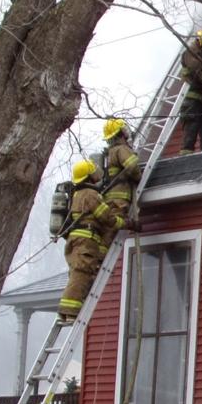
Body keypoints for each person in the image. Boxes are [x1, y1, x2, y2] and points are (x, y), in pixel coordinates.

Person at [56, 159, 127, 323]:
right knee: (82, 274)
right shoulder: (90, 194)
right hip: (85, 240)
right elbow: (105, 216)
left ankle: (65, 313)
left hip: (76, 240)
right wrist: (123, 222)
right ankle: (70, 312)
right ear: (89, 176)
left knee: (77, 274)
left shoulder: (77, 194)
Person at [101, 118, 141, 250]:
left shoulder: (109, 153)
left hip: (109, 200)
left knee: (107, 233)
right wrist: (138, 177)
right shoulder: (121, 149)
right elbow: (133, 166)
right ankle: (100, 262)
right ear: (121, 133)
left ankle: (99, 262)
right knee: (112, 231)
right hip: (120, 199)